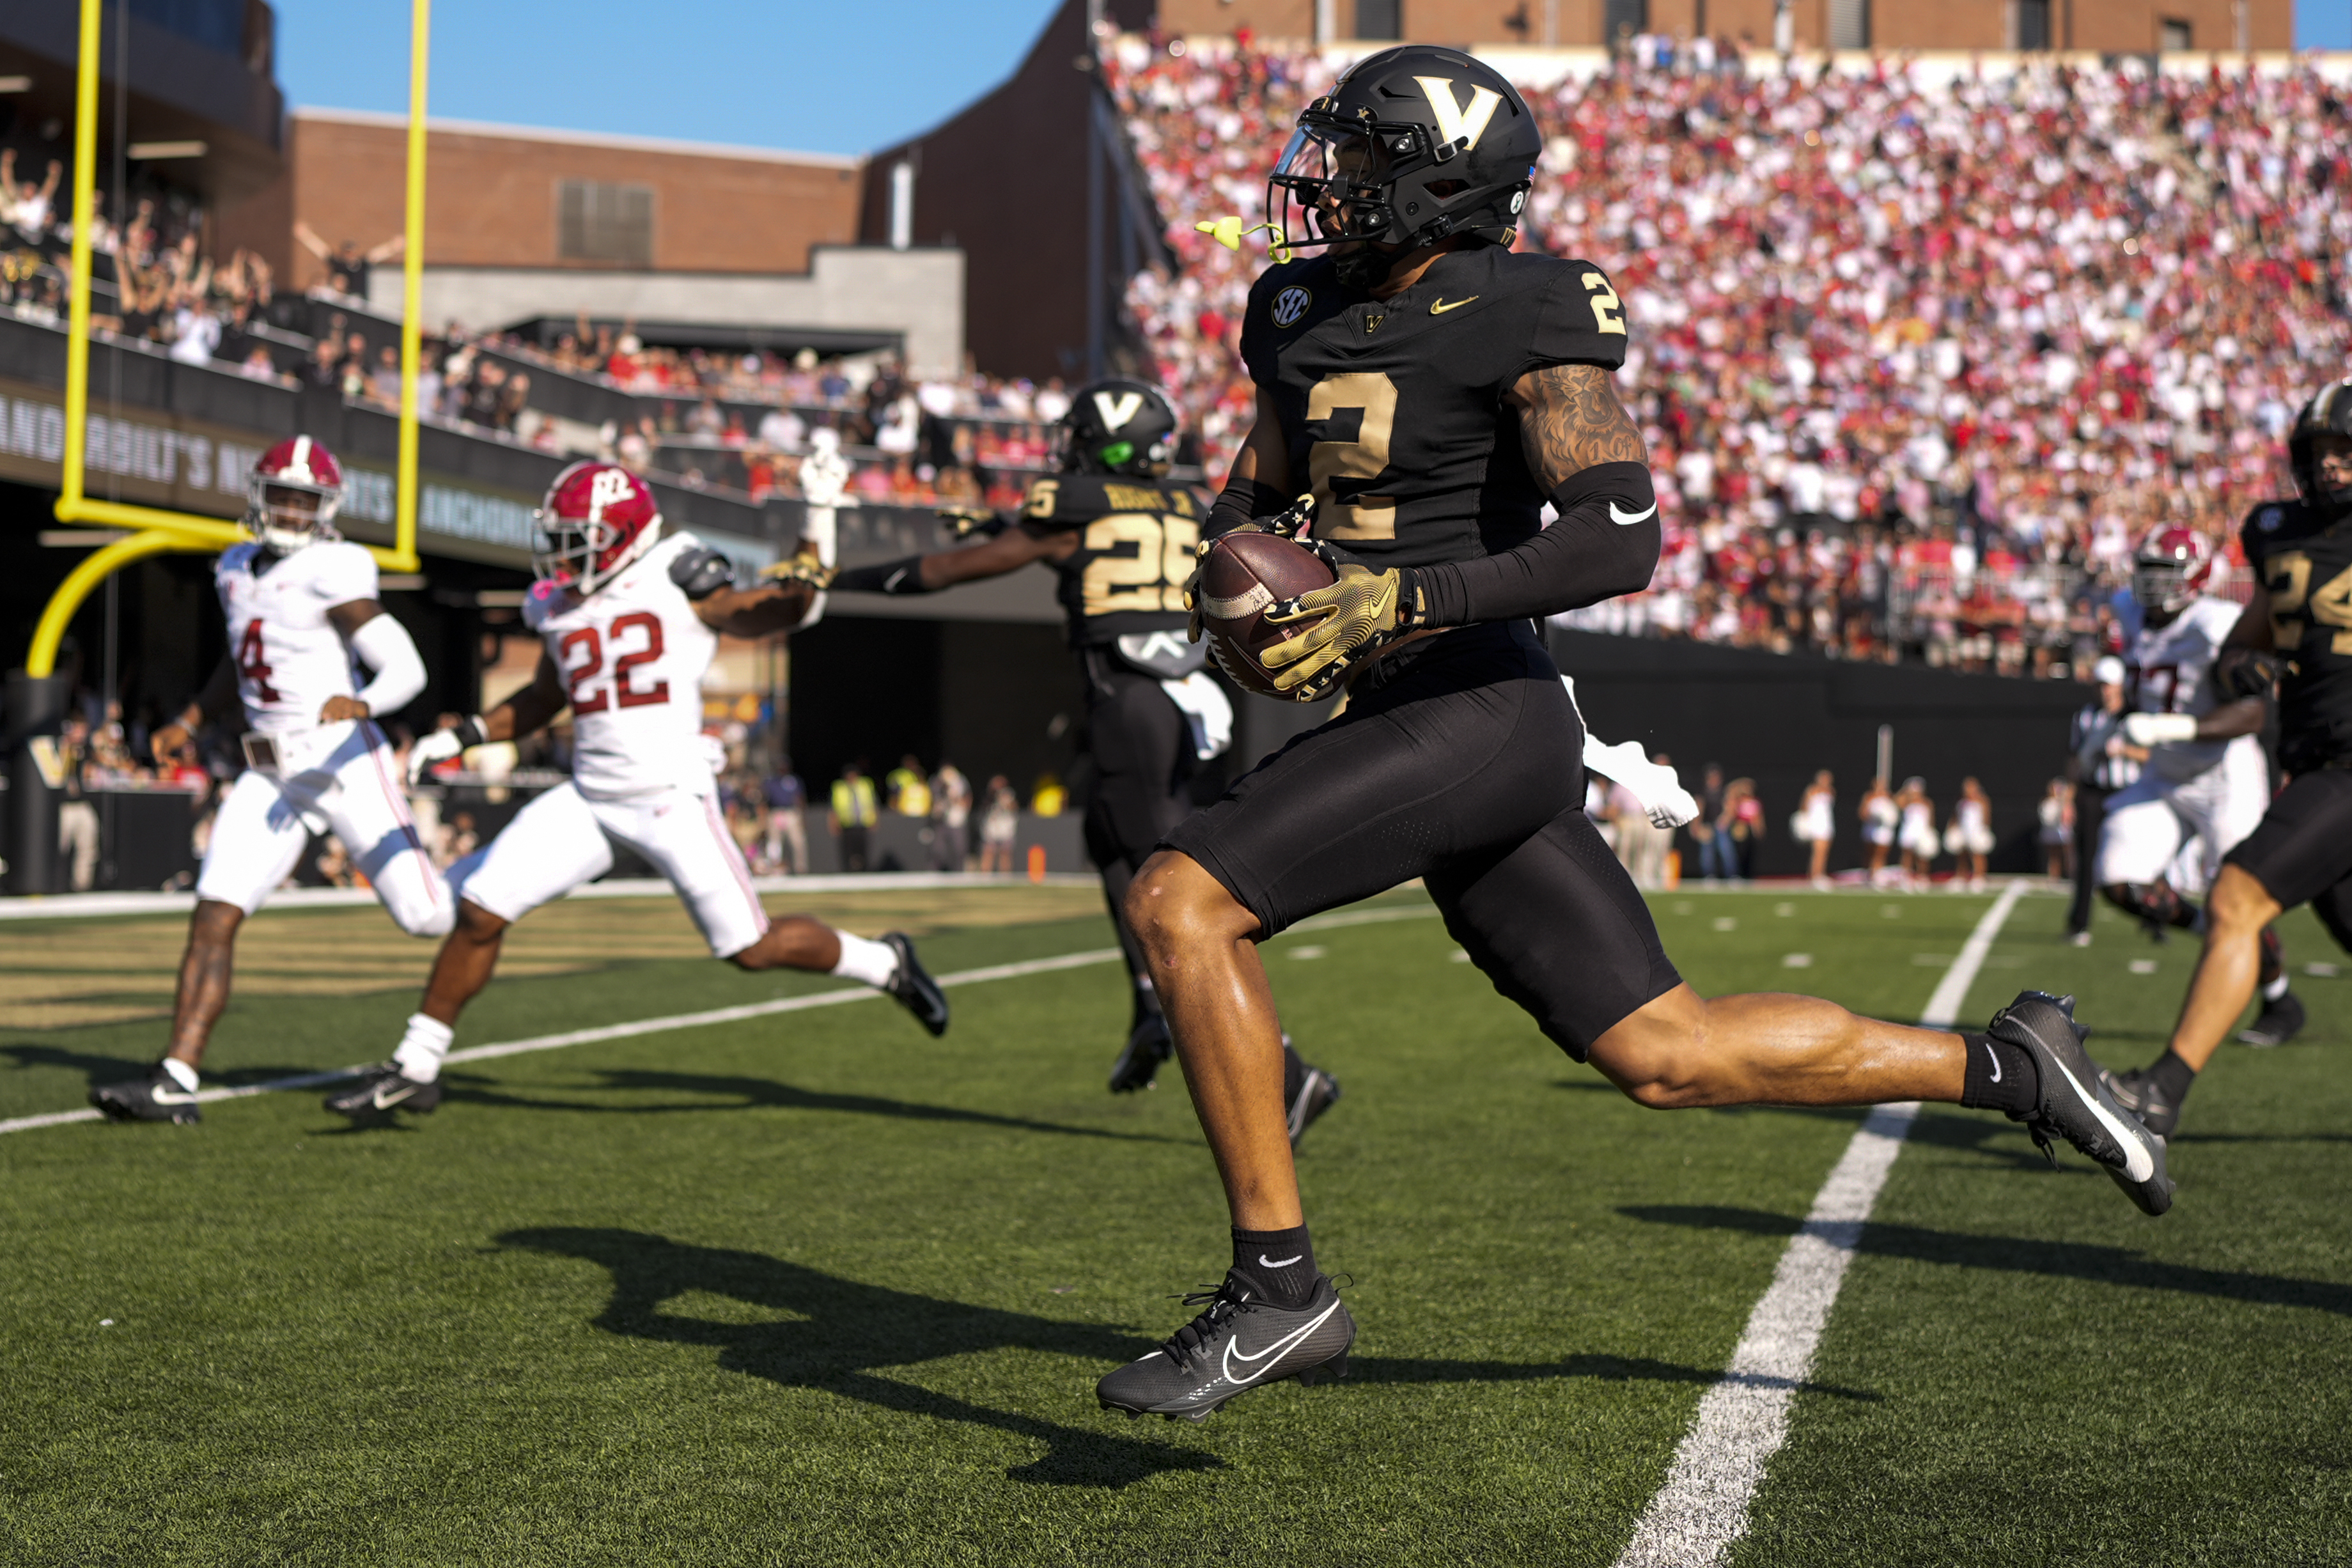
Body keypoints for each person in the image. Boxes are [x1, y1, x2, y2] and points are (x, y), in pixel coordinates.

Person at [1092, 49, 2167, 1424]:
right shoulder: (1292, 306)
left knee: (1182, 900)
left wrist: (1403, 594)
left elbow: (1621, 530)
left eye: (1359, 157)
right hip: (1412, 711)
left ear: (1435, 182)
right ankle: (2015, 1062)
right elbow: (1269, 486)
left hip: (1483, 700)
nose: (1327, 181)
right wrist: (1232, 558)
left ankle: (1279, 1288)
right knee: (1672, 1051)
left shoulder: (1527, 306)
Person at [322, 465, 946, 1120]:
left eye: (577, 539)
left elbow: (782, 608)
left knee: (750, 947)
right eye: (557, 538)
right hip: (590, 795)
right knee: (479, 910)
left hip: (668, 794)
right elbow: (544, 697)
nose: (562, 555)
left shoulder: (679, 574)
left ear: (621, 535)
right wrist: (466, 735)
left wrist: (819, 518)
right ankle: (416, 1066)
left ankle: (884, 962)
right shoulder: (559, 603)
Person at [807, 379, 1338, 1120]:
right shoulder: (1187, 505)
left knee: (1176, 894)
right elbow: (1109, 541)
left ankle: (1286, 1069)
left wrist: (833, 579)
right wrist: (1001, 521)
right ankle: (1151, 1009)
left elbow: (950, 572)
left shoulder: (1074, 508)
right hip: (1189, 705)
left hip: (1128, 701)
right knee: (1111, 844)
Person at [90, 439, 451, 1125]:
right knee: (214, 911)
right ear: (258, 494)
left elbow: (405, 664)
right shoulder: (234, 565)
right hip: (270, 770)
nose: (289, 508)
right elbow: (243, 655)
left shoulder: (334, 566)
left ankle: (488, 895)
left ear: (326, 509)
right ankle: (176, 1075)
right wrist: (192, 719)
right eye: (280, 495)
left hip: (342, 760)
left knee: (426, 915)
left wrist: (366, 701)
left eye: (303, 498)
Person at [2105, 384, 2352, 1134]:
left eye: (2345, 450)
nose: (2332, 466)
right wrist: (2246, 661)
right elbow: (2255, 634)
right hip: (2315, 757)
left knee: (2235, 898)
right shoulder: (2277, 533)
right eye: (2319, 452)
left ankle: (2162, 1090)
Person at [2092, 527, 2301, 1044]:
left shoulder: (2216, 621)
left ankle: (2279, 999)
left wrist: (2169, 726)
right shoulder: (2127, 607)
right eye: (2147, 572)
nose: (2151, 585)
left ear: (2198, 578)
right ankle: (2211, 932)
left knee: (2239, 895)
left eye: (2166, 574)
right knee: (2117, 877)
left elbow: (2252, 713)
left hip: (2222, 775)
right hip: (2163, 775)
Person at [2066, 655, 2140, 942]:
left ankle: (2156, 921)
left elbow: (2152, 756)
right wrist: (2069, 799)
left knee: (2143, 858)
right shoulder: (2085, 717)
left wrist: (2124, 752)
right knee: (2086, 859)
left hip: (2127, 791)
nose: (2104, 691)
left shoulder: (2134, 716)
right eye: (2100, 685)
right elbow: (2074, 760)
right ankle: (2079, 923)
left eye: (2108, 685)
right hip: (2092, 792)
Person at [1946, 777, 1994, 893]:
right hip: (1964, 831)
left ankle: (1979, 877)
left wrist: (1982, 831)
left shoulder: (1983, 801)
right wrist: (1952, 828)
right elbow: (1956, 817)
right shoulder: (1961, 802)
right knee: (1962, 854)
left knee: (1978, 854)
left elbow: (1987, 818)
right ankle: (1962, 876)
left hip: (1977, 831)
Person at [763, 761, 808, 875]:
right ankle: (775, 869)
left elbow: (800, 798)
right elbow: (764, 800)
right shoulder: (771, 781)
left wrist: (802, 816)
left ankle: (801, 869)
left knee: (798, 841)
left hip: (791, 813)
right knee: (774, 842)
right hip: (776, 812)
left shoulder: (793, 781)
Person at [830, 763, 877, 873]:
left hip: (863, 822)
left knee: (863, 849)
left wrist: (875, 820)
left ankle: (865, 870)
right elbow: (833, 808)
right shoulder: (839, 788)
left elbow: (873, 803)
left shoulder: (865, 785)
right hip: (847, 824)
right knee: (847, 850)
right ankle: (847, 871)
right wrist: (834, 823)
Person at [1794, 769, 1836, 889]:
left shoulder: (1831, 791)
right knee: (1818, 852)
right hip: (1816, 825)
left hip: (1827, 824)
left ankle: (1820, 874)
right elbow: (1804, 807)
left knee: (1825, 852)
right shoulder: (1812, 790)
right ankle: (1815, 876)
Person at [1897, 776, 1939, 887]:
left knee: (1923, 857)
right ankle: (1906, 877)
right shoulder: (1907, 802)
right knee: (1907, 855)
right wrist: (1905, 791)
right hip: (1909, 832)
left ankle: (1923, 877)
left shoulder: (1927, 802)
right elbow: (1897, 802)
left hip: (1923, 832)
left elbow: (1931, 819)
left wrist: (1931, 832)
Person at [930, 761, 972, 871]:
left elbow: (966, 799)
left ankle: (959, 872)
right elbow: (935, 800)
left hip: (956, 820)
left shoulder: (960, 781)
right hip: (941, 820)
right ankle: (936, 872)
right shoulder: (937, 782)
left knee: (959, 849)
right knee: (938, 850)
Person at [1859, 774, 1899, 887]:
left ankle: (1877, 875)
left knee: (1881, 853)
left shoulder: (1889, 796)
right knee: (1869, 853)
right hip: (1871, 829)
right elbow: (1862, 813)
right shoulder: (1869, 796)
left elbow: (1895, 811)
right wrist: (1872, 816)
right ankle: (1867, 876)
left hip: (1884, 831)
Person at [977, 775, 1019, 874]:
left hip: (1005, 829)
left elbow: (1014, 808)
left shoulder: (1009, 794)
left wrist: (1005, 802)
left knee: (1005, 853)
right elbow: (984, 809)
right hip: (992, 829)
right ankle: (985, 876)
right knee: (989, 851)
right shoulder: (988, 797)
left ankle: (1005, 876)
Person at [2038, 778, 2073, 880]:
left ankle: (2070, 876)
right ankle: (2054, 876)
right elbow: (2047, 819)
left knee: (2068, 855)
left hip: (2065, 833)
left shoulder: (2066, 803)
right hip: (2052, 833)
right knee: (2054, 855)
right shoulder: (2047, 803)